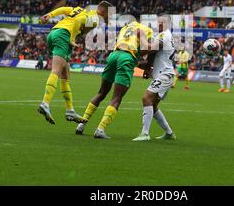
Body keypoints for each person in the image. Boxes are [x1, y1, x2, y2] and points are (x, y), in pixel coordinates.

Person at [75, 19, 153, 139]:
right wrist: (146, 64)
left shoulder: (125, 28)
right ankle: (100, 129)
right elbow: (145, 49)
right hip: (126, 58)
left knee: (101, 93)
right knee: (117, 97)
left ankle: (81, 124)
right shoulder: (146, 30)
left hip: (114, 55)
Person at [37, 1, 112, 125]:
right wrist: (72, 39)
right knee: (56, 70)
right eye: (110, 14)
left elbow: (64, 9)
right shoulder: (95, 19)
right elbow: (78, 22)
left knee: (65, 75)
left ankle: (70, 110)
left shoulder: (80, 9)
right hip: (64, 35)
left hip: (54, 33)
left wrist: (50, 15)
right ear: (104, 12)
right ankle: (45, 103)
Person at [132, 14, 176, 142]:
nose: (158, 24)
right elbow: (153, 55)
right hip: (163, 74)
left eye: (161, 22)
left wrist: (142, 36)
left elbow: (149, 48)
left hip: (165, 74)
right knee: (153, 105)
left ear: (167, 23)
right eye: (158, 22)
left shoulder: (165, 35)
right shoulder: (162, 35)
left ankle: (145, 134)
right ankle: (169, 133)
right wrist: (146, 68)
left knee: (146, 98)